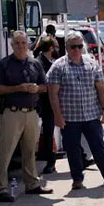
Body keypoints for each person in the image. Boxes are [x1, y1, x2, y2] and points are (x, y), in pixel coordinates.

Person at [47, 31, 104, 191]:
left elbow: (101, 89)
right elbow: (53, 94)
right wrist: (57, 116)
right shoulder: (58, 67)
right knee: (73, 149)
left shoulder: (92, 64)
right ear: (67, 47)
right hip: (69, 118)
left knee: (98, 147)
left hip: (91, 115)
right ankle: (77, 179)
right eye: (73, 47)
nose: (77, 49)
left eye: (79, 46)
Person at [0, 31, 53, 202]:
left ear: (28, 44)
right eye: (17, 43)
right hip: (11, 112)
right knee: (5, 152)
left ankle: (32, 184)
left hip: (31, 113)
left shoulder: (35, 63)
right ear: (11, 46)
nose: (21, 46)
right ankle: (0, 189)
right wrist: (19, 88)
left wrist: (36, 88)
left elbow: (44, 86)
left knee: (30, 151)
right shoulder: (4, 65)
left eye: (23, 43)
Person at [35, 35, 59, 175]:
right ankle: (50, 162)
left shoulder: (50, 60)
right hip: (45, 103)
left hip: (52, 102)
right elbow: (46, 83)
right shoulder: (40, 63)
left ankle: (81, 157)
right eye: (55, 46)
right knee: (49, 132)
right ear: (50, 48)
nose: (56, 48)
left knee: (65, 129)